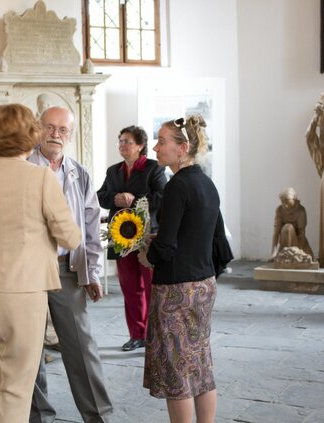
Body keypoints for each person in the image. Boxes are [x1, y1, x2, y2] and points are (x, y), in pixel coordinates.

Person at [0, 104, 82, 423]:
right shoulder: (41, 178)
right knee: (14, 387)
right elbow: (70, 237)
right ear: (31, 134)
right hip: (22, 291)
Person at [139, 115, 229, 423]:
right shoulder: (207, 183)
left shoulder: (177, 185)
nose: (155, 147)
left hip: (176, 291)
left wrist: (147, 256)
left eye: (162, 141)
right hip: (204, 285)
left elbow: (166, 247)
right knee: (200, 364)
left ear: (183, 147)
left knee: (177, 370)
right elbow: (213, 240)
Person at [28, 106, 114, 423]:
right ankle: (38, 417)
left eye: (63, 130)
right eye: (49, 127)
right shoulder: (24, 168)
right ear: (38, 129)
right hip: (29, 271)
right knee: (30, 349)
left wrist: (91, 272)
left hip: (67, 268)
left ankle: (98, 416)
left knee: (81, 345)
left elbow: (91, 227)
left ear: (71, 135)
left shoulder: (78, 172)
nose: (55, 134)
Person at [96, 125, 166, 352]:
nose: (122, 145)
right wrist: (114, 198)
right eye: (120, 141)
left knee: (150, 286)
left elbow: (162, 197)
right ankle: (137, 335)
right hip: (119, 235)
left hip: (146, 235)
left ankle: (155, 336)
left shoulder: (153, 168)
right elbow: (100, 196)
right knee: (129, 287)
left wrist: (134, 200)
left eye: (127, 141)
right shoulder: (113, 171)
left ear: (140, 145)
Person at [271, 187, 314, 259]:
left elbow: (301, 233)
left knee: (310, 257)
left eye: (287, 201)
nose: (285, 205)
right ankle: (285, 253)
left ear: (294, 198)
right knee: (288, 227)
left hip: (299, 239)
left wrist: (298, 251)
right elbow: (276, 233)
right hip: (285, 239)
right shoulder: (279, 210)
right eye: (282, 202)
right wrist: (273, 252)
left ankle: (291, 254)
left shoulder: (301, 210)